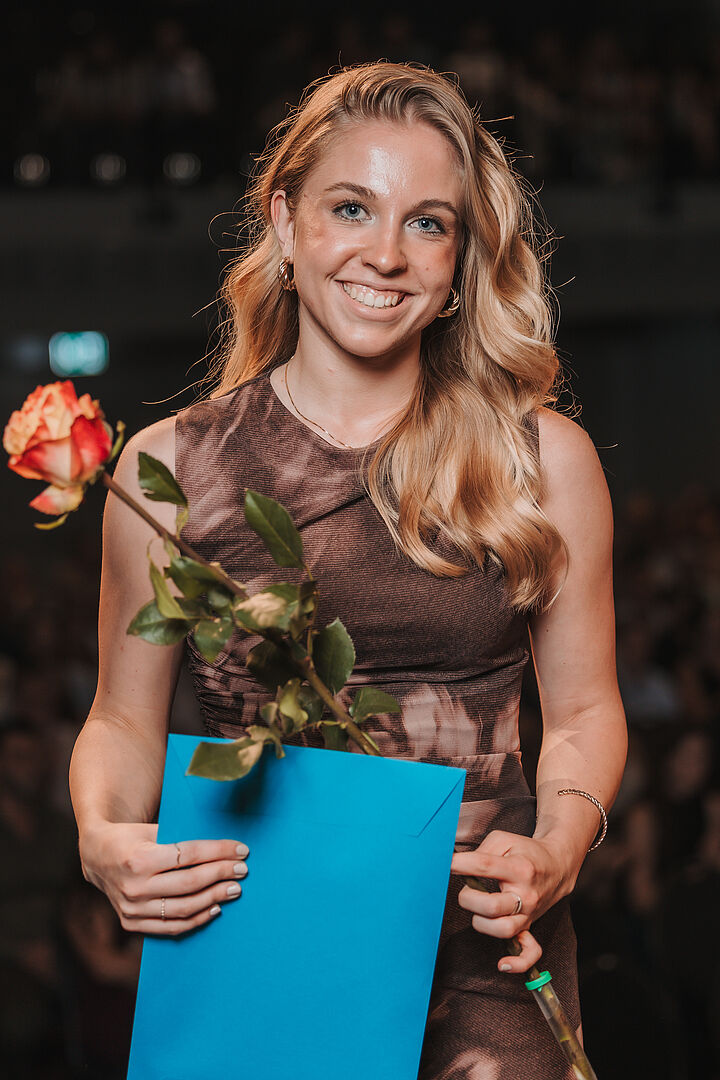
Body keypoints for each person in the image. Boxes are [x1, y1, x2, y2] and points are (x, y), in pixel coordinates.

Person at [70, 61, 627, 1077]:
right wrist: (102, 836)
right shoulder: (170, 470)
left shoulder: (543, 462)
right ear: (285, 224)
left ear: (459, 259)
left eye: (428, 223)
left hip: (487, 945)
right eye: (351, 208)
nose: (387, 253)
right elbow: (121, 719)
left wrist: (556, 848)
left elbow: (586, 712)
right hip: (259, 934)